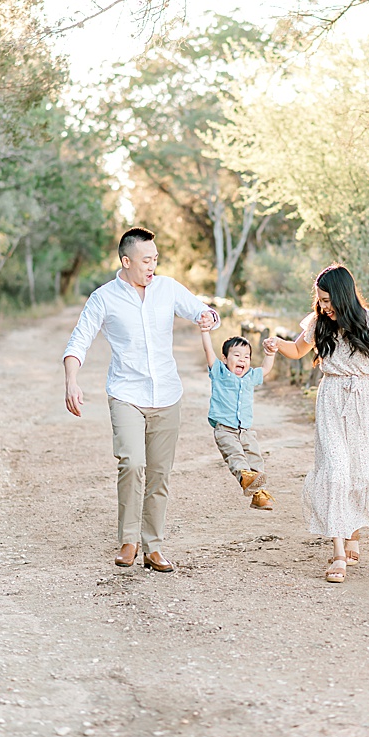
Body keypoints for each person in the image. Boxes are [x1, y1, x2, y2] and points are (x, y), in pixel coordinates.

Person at [64, 227, 220, 572]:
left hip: (167, 394)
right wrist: (71, 379)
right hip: (126, 394)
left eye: (155, 259)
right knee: (133, 463)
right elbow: (79, 340)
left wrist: (208, 316)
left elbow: (201, 311)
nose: (153, 266)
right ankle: (128, 541)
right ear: (126, 261)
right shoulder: (104, 298)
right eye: (147, 260)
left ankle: (153, 547)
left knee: (160, 474)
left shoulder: (167, 289)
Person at [263, 265, 369, 583]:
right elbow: (298, 350)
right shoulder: (318, 323)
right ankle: (339, 553)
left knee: (359, 471)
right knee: (335, 470)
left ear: (343, 295)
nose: (323, 306)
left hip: (367, 400)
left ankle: (352, 532)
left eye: (327, 300)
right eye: (320, 300)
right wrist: (276, 344)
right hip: (331, 399)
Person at [200, 327, 277, 510]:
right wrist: (204, 331)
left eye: (247, 356)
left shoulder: (250, 376)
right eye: (236, 355)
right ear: (225, 358)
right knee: (236, 455)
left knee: (256, 459)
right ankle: (245, 477)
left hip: (246, 430)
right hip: (225, 429)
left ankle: (259, 495)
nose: (242, 359)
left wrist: (270, 353)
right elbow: (208, 351)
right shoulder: (219, 372)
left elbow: (266, 368)